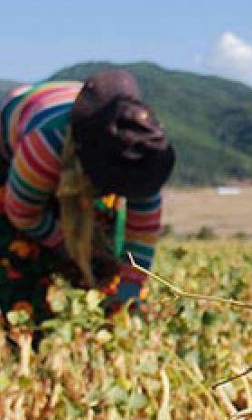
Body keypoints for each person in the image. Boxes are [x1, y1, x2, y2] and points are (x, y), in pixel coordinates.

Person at [0, 69, 175, 327]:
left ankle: (99, 314)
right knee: (19, 254)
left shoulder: (143, 150)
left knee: (104, 250)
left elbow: (142, 230)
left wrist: (128, 292)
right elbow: (22, 212)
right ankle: (25, 329)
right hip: (10, 152)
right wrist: (66, 246)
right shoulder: (45, 143)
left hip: (79, 143)